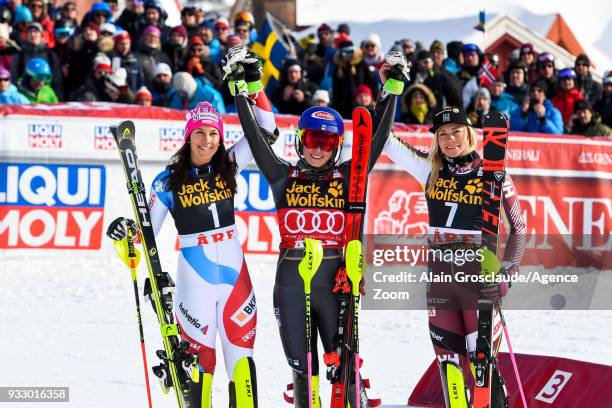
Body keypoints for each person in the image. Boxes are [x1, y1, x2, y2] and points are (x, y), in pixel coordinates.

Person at [227, 45, 408, 407]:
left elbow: (377, 136)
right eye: (312, 139)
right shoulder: (283, 175)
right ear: (301, 140)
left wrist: (393, 89)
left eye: (326, 141)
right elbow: (256, 137)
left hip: (336, 283)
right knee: (304, 376)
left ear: (337, 145)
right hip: (292, 282)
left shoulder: (349, 176)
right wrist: (239, 90)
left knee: (347, 374)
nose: (318, 149)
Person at [106, 100, 274, 407]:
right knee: (201, 364)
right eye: (199, 132)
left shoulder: (230, 163)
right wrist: (124, 231)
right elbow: (145, 235)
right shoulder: (167, 181)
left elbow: (266, 128)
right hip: (195, 281)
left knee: (242, 364)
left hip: (236, 280)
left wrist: (254, 87)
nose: (206, 140)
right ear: (188, 135)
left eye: (213, 133)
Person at [383, 106, 526, 408]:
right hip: (440, 282)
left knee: (482, 369)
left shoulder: (493, 173)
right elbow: (385, 141)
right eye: (443, 134)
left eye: (456, 132)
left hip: (478, 282)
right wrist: (391, 90)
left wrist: (507, 276)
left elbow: (519, 228)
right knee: (450, 371)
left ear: (469, 134)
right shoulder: (429, 168)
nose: (450, 140)